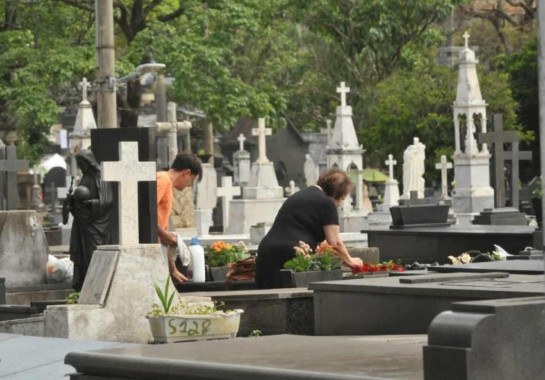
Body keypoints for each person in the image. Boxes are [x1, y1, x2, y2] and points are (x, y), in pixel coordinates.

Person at [256, 168, 364, 289]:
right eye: (342, 199)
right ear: (337, 194)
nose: (339, 204)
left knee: (268, 300)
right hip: (290, 254)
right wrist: (350, 261)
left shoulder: (300, 195)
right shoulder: (327, 202)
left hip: (266, 250)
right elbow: (335, 242)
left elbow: (306, 229)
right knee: (292, 303)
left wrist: (333, 253)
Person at [64, 150, 114, 291]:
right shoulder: (85, 178)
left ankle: (97, 288)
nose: (80, 167)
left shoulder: (100, 177)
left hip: (98, 225)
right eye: (79, 164)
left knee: (94, 254)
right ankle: (87, 286)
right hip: (84, 225)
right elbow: (80, 199)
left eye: (82, 163)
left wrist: (92, 203)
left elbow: (108, 200)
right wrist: (72, 202)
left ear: (89, 162)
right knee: (85, 256)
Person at [157, 153, 202, 283]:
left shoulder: (167, 184)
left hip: (159, 246)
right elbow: (146, 212)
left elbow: (160, 224)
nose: (189, 186)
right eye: (191, 180)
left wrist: (173, 269)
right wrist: (164, 234)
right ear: (186, 173)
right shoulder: (162, 180)